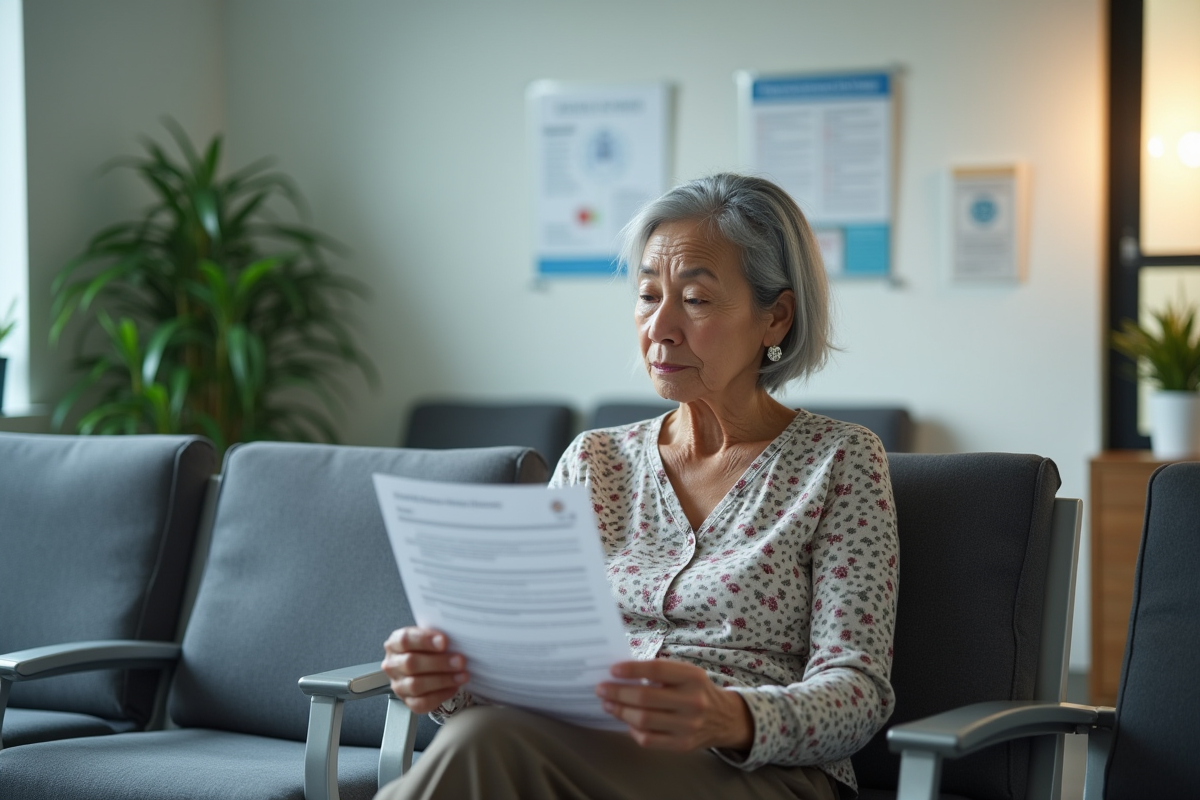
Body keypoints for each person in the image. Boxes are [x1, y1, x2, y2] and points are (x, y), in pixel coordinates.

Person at [378, 173, 899, 800]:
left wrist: (731, 716)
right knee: (480, 731)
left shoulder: (839, 461)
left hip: (755, 773)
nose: (660, 327)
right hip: (572, 752)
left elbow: (859, 691)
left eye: (696, 300)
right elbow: (529, 673)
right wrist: (449, 681)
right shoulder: (595, 461)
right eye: (649, 295)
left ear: (776, 317)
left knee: (486, 744)